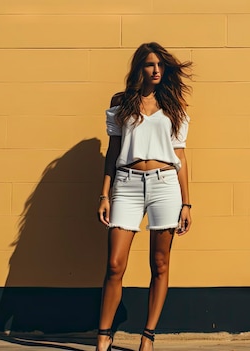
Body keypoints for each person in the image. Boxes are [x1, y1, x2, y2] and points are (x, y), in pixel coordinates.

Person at [95, 42, 193, 351]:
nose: (156, 70)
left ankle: (147, 337)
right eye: (151, 65)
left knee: (160, 264)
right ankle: (103, 336)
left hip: (166, 186)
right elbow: (112, 151)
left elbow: (181, 156)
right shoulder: (122, 102)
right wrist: (105, 194)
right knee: (115, 264)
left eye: (161, 66)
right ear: (139, 68)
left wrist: (187, 203)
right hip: (126, 184)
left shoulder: (174, 106)